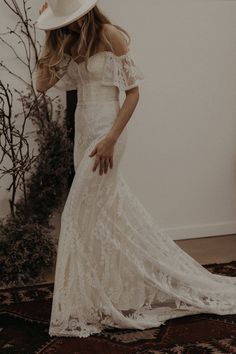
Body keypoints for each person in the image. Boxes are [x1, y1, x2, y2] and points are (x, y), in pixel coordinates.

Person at [36, 0, 236, 338]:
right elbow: (41, 85)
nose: (66, 25)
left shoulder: (111, 34)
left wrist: (112, 138)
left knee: (76, 213)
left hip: (108, 129)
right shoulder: (67, 41)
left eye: (67, 19)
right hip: (84, 127)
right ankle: (105, 293)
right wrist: (50, 36)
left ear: (84, 13)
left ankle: (90, 298)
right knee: (101, 212)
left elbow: (132, 93)